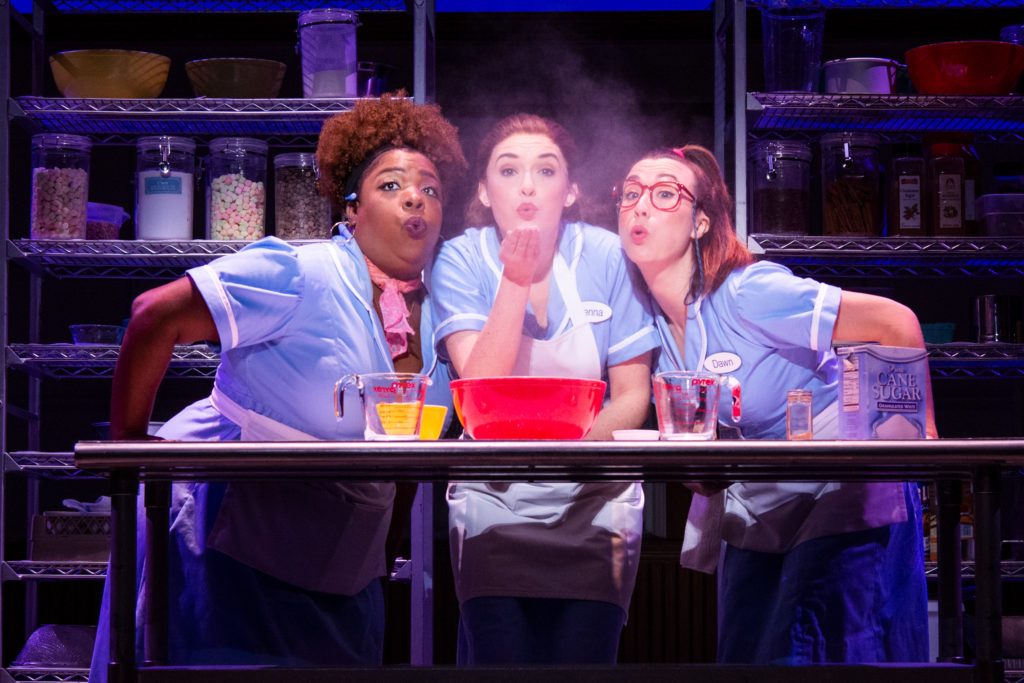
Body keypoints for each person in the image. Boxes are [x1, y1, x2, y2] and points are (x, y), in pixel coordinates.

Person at [88, 94, 467, 681]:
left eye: (431, 188)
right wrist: (129, 454)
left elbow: (410, 458)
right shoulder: (298, 271)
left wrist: (385, 549)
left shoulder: (446, 317)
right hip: (230, 543)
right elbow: (152, 316)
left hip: (344, 573)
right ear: (352, 208)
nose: (416, 196)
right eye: (390, 185)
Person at [616, 144, 933, 664]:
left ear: (700, 223)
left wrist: (920, 442)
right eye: (630, 193)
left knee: (829, 657)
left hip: (838, 499)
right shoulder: (654, 329)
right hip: (761, 508)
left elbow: (895, 323)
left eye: (665, 193)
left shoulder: (748, 290)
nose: (640, 206)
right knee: (749, 658)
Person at [430, 113, 659, 664]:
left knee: (586, 666)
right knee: (498, 662)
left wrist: (567, 461)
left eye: (546, 170)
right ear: (484, 192)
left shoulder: (606, 255)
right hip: (493, 500)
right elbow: (478, 392)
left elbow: (632, 395)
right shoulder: (461, 259)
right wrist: (514, 278)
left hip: (595, 502)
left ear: (571, 190)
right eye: (508, 171)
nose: (528, 185)